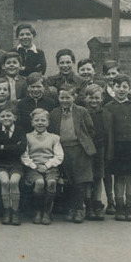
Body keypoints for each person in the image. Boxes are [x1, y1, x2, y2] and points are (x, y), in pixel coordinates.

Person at [49, 84, 95, 223]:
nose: (64, 100)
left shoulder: (82, 111)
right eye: (62, 97)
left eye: (68, 97)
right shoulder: (54, 113)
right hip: (62, 149)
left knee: (79, 181)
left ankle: (79, 209)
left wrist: (84, 143)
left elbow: (90, 130)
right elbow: (52, 131)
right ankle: (70, 208)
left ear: (74, 97)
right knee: (68, 180)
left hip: (79, 150)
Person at [105, 74, 131, 221]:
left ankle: (130, 206)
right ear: (113, 88)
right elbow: (106, 129)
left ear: (129, 89)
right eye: (118, 86)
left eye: (125, 87)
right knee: (118, 177)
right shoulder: (108, 107)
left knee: (130, 178)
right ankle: (120, 207)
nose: (121, 89)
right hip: (115, 147)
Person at [21, 108, 63, 225]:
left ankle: (47, 212)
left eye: (43, 120)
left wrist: (47, 165)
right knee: (39, 183)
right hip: (33, 167)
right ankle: (37, 211)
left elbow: (59, 156)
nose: (40, 123)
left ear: (48, 123)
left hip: (50, 167)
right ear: (32, 122)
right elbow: (24, 155)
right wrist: (34, 166)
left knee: (51, 183)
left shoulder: (54, 138)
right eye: (37, 120)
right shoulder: (27, 137)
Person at [0, 104, 26, 225]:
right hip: (0, 163)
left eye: (8, 115)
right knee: (5, 182)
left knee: (14, 182)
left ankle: (15, 211)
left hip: (16, 163)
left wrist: (3, 147)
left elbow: (21, 148)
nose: (6, 118)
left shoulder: (20, 130)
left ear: (14, 117)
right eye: (2, 116)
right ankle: (7, 210)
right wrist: (13, 146)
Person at [83, 84, 108, 220]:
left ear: (102, 98)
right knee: (87, 178)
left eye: (97, 98)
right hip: (85, 150)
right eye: (91, 98)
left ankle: (97, 203)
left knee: (98, 177)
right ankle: (89, 206)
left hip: (100, 149)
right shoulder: (82, 112)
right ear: (85, 98)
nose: (94, 101)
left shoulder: (105, 114)